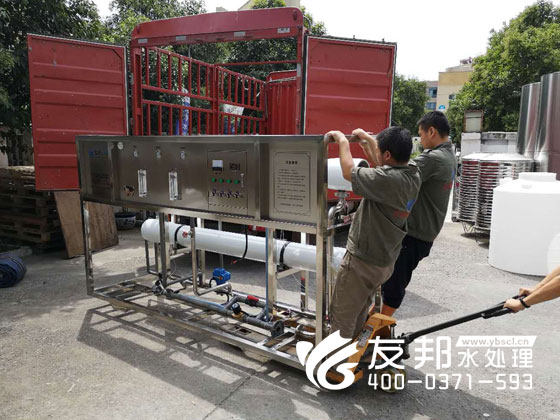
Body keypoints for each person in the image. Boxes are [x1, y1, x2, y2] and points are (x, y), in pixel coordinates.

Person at [327, 127, 421, 339]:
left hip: (363, 262)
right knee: (360, 308)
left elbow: (348, 172)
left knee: (343, 316)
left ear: (387, 155)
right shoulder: (413, 173)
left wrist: (342, 141)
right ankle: (354, 351)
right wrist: (369, 141)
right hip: (384, 261)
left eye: (379, 150)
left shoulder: (388, 180)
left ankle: (337, 358)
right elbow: (383, 167)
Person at [366, 111, 457, 317]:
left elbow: (395, 173)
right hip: (425, 232)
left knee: (394, 284)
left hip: (415, 233)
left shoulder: (434, 159)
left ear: (431, 131)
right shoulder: (448, 155)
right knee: (391, 280)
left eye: (421, 134)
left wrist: (372, 144)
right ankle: (373, 322)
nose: (421, 140)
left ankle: (378, 329)